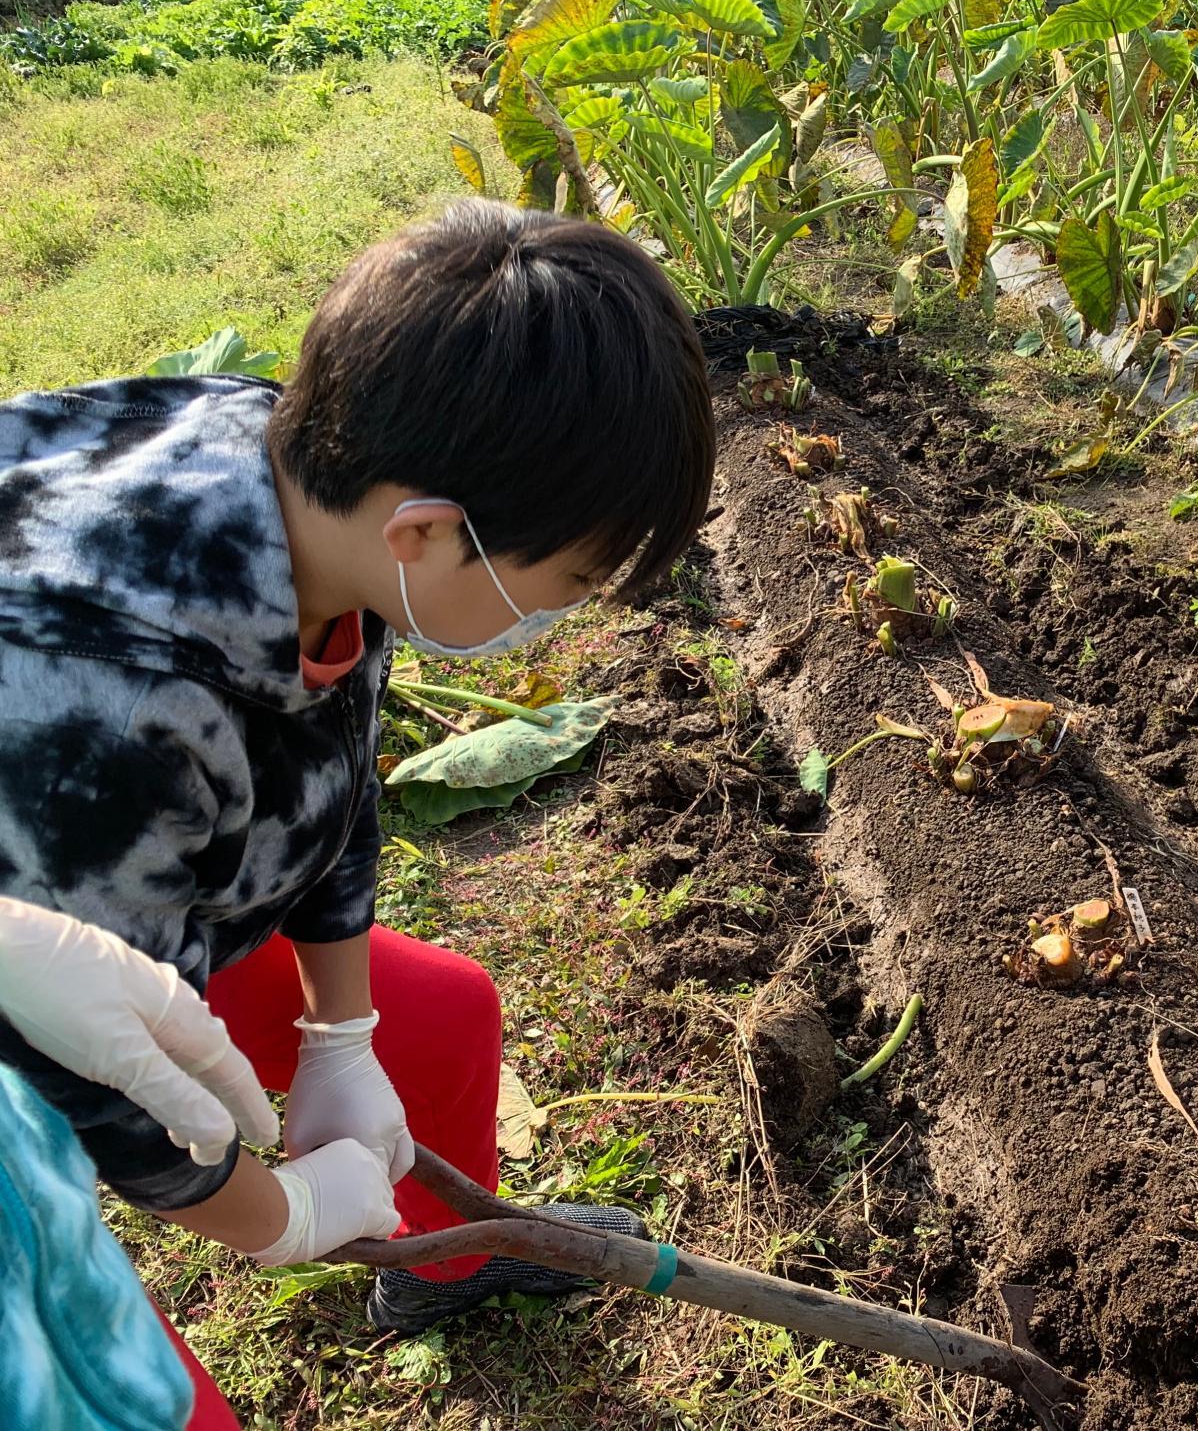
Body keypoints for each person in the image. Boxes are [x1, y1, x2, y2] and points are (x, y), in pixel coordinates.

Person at [0, 199, 716, 1428]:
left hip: (101, 919)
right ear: (429, 534)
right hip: (38, 1026)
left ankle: (448, 1265)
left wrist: (344, 1036)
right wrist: (286, 1217)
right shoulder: (110, 717)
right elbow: (115, 1101)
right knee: (121, 1384)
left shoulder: (315, 501)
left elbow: (329, 786)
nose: (569, 612)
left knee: (433, 1022)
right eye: (572, 582)